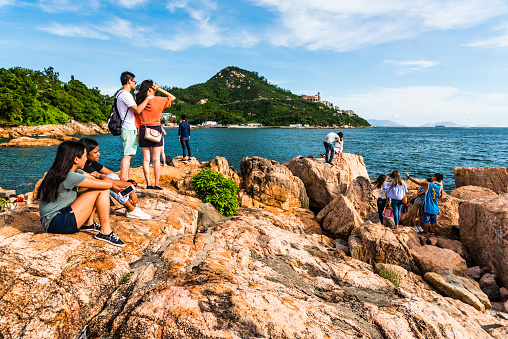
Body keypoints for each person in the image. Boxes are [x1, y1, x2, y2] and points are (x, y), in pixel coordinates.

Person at [37, 141, 125, 247]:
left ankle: (88, 224)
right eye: (84, 156)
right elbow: (105, 184)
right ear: (76, 159)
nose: (86, 159)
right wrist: (104, 177)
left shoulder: (63, 172)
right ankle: (105, 232)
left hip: (54, 220)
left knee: (93, 186)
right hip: (57, 223)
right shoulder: (69, 176)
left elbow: (94, 178)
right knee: (102, 189)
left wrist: (111, 185)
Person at [79, 138, 151, 220]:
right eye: (95, 152)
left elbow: (114, 174)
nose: (99, 154)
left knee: (112, 176)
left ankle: (131, 205)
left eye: (98, 151)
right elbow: (107, 182)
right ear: (86, 154)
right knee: (105, 183)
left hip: (90, 193)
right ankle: (131, 209)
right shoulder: (84, 166)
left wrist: (129, 187)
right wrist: (130, 188)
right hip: (80, 197)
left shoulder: (93, 163)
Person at [135, 80, 176, 190]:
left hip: (144, 130)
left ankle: (148, 184)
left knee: (146, 159)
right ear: (150, 89)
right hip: (156, 129)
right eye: (153, 88)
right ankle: (157, 184)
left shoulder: (138, 100)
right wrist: (159, 89)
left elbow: (137, 119)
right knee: (156, 160)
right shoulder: (158, 100)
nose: (154, 90)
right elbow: (172, 97)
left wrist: (139, 136)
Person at [117, 71, 153, 181]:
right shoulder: (125, 95)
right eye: (134, 81)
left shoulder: (120, 94)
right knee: (127, 155)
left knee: (129, 155)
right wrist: (147, 99)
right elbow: (137, 110)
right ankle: (124, 180)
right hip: (128, 128)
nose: (135, 84)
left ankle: (126, 179)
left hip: (127, 127)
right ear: (129, 81)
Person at [405, 172, 444, 237]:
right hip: (435, 205)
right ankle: (432, 232)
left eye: (432, 176)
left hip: (427, 205)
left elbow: (417, 182)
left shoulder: (429, 184)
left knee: (426, 219)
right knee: (433, 220)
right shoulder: (440, 187)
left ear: (435, 178)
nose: (431, 177)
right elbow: (441, 196)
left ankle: (425, 232)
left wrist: (408, 177)